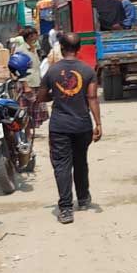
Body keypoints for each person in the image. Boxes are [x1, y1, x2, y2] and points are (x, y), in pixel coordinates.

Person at [37, 33, 101, 224]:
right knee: (80, 160)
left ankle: (65, 208)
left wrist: (55, 96)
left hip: (60, 126)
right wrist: (98, 123)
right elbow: (92, 98)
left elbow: (41, 97)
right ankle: (82, 198)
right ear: (79, 48)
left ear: (62, 48)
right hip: (83, 125)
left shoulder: (52, 71)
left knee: (62, 165)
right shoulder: (88, 71)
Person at [14, 27, 48, 129]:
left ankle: (29, 132)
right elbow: (18, 69)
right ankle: (26, 135)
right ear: (30, 36)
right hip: (27, 85)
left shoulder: (33, 49)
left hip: (36, 83)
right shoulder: (21, 50)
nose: (37, 37)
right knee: (25, 112)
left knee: (35, 111)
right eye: (35, 34)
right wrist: (25, 85)